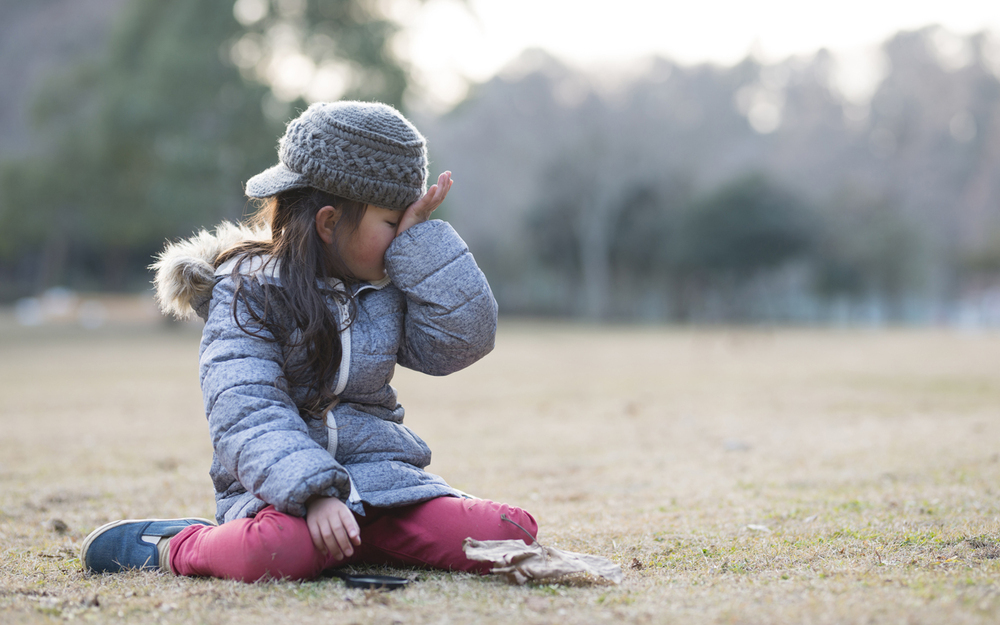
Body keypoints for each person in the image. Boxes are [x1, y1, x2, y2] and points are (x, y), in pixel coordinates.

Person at [80, 101, 537, 582]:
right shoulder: (248, 290)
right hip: (283, 493)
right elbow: (246, 408)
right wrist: (314, 491)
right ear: (327, 223)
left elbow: (464, 340)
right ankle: (177, 546)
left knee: (511, 533)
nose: (404, 234)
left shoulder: (387, 284)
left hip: (383, 486)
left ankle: (351, 544)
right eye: (394, 223)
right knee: (276, 553)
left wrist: (418, 246)